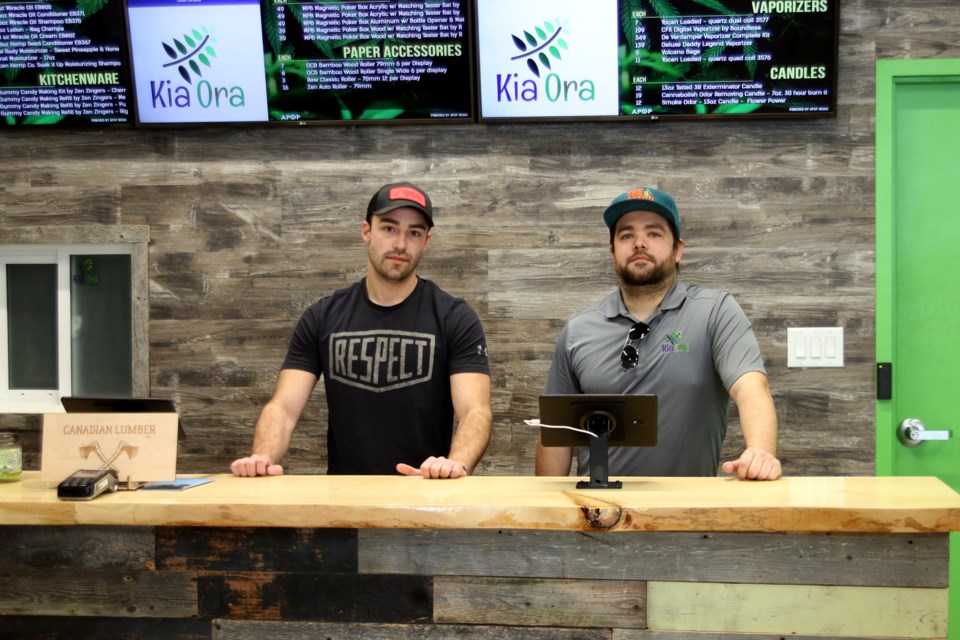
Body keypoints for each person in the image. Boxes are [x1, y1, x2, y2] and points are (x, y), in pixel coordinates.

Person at [232, 182, 492, 479]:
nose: (400, 245)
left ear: (426, 241)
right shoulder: (323, 316)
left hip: (427, 497)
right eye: (389, 229)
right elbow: (284, 408)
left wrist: (455, 463)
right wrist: (263, 456)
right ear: (366, 231)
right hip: (344, 503)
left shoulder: (454, 317)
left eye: (414, 233)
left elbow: (476, 411)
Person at [535, 186, 781, 481]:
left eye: (654, 233)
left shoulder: (716, 313)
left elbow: (751, 388)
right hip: (598, 516)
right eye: (626, 235)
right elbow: (557, 432)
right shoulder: (578, 329)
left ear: (678, 249)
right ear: (613, 252)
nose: (640, 243)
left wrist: (761, 452)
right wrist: (554, 512)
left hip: (689, 516)